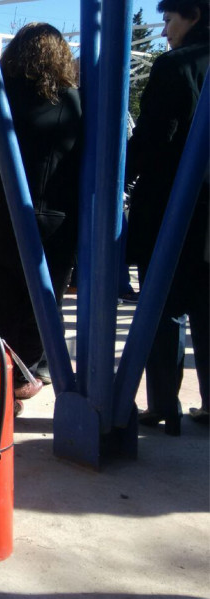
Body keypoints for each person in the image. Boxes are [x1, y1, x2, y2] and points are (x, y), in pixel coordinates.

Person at [0, 23, 81, 401]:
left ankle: (9, 374)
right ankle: (26, 370)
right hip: (47, 223)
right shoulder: (71, 102)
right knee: (40, 309)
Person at [127, 0, 209, 434]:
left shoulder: (175, 67)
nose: (164, 32)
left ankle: (164, 403)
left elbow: (153, 139)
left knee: (164, 306)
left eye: (169, 19)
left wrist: (120, 176)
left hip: (171, 207)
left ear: (193, 14)